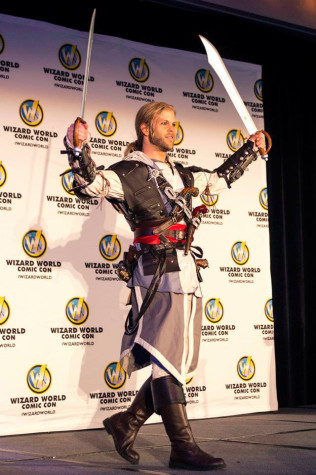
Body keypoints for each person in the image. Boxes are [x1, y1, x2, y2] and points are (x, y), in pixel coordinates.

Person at [65, 102, 265, 471]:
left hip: (187, 271)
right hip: (156, 271)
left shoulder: (183, 173)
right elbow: (91, 184)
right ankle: (182, 448)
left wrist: (252, 149)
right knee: (164, 355)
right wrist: (78, 151)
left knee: (171, 357)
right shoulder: (126, 172)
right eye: (164, 123)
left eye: (174, 123)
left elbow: (219, 178)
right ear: (145, 128)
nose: (172, 129)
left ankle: (126, 422)